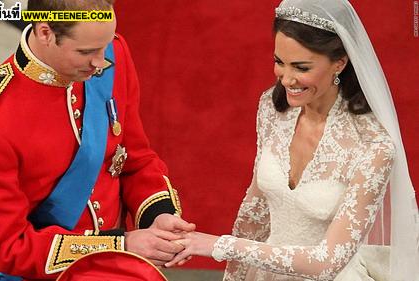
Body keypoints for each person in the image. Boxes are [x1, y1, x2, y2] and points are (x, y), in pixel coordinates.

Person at [165, 0, 419, 280]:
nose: (286, 79)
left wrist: (220, 245)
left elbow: (327, 262)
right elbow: (256, 210)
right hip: (265, 273)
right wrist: (235, 277)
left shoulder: (374, 147)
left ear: (340, 63)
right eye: (279, 62)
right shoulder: (272, 110)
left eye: (301, 67)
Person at [0, 0, 194, 280]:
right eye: (86, 51)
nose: (101, 63)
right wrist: (120, 244)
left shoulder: (112, 53)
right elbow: (11, 248)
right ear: (45, 33)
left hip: (122, 268)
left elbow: (135, 160)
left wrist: (157, 217)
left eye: (104, 47)